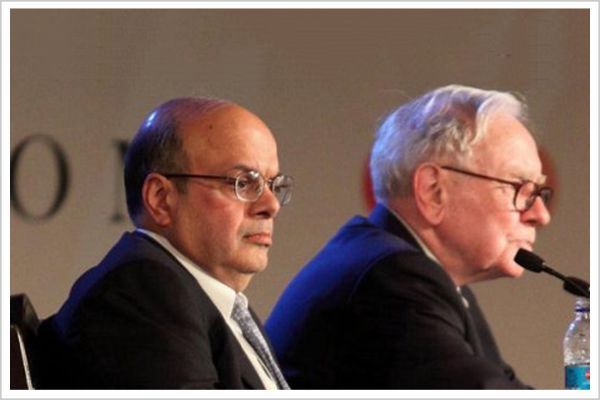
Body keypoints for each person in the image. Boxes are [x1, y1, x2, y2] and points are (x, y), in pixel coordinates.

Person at [266, 84, 552, 389]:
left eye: (539, 193)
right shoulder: (391, 279)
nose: (540, 214)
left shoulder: (418, 275)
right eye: (519, 189)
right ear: (433, 191)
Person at [37, 97, 294, 389]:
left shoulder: (212, 304)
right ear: (161, 199)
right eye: (243, 183)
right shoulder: (143, 293)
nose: (271, 205)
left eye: (273, 185)